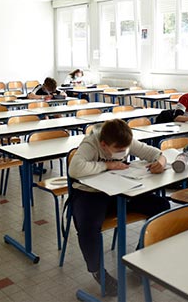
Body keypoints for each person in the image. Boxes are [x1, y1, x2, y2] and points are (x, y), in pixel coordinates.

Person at [69, 119, 169, 296]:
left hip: (119, 190)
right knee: (88, 226)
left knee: (161, 206)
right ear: (104, 145)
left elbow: (155, 153)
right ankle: (97, 270)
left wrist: (161, 161)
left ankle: (141, 257)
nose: (123, 153)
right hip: (89, 193)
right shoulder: (91, 143)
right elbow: (75, 169)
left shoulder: (126, 141)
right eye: (119, 150)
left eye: (125, 149)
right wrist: (107, 165)